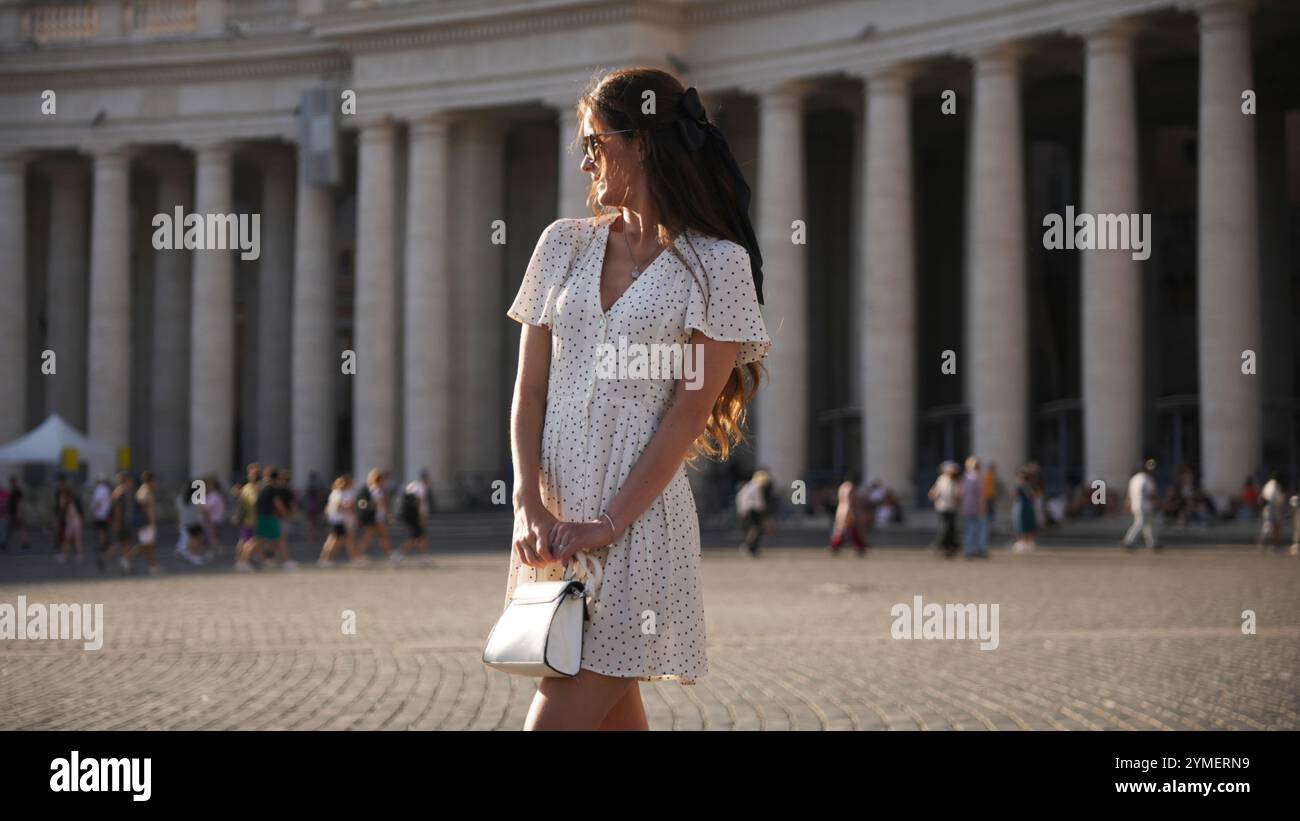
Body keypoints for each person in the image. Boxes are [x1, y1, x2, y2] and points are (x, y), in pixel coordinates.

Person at [504, 69, 771, 730]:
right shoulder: (561, 244)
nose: (586, 157)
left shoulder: (719, 265)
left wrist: (611, 522)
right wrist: (527, 501)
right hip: (556, 527)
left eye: (597, 139)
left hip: (639, 529)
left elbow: (687, 414)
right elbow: (529, 389)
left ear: (643, 143)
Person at [353, 468, 395, 562]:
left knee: (370, 537)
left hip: (377, 516)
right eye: (382, 480)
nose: (383, 482)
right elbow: (364, 503)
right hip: (374, 517)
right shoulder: (372, 490)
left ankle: (358, 555)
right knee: (382, 535)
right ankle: (390, 554)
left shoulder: (377, 490)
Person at [123, 470, 160, 575]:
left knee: (148, 546)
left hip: (147, 522)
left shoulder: (146, 490)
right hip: (145, 522)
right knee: (145, 546)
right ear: (150, 480)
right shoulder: (144, 491)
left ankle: (152, 566)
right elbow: (142, 505)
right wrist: (148, 519)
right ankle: (127, 559)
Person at [318, 474, 356, 567]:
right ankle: (326, 559)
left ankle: (355, 557)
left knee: (339, 539)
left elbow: (329, 507)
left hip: (335, 519)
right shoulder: (340, 493)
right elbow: (338, 506)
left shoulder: (334, 493)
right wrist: (348, 506)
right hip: (339, 519)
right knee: (336, 540)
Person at [1123, 459, 1160, 551]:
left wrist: (1128, 504)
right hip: (1145, 505)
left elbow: (1129, 494)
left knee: (1147, 525)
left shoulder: (1134, 479)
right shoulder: (1146, 478)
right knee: (1140, 524)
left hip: (1136, 504)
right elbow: (1152, 494)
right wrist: (1158, 503)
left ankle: (1152, 543)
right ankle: (1128, 541)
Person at [828, 471, 866, 557]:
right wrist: (851, 512)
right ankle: (835, 545)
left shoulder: (843, 486)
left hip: (841, 509)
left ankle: (859, 546)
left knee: (847, 529)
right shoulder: (850, 487)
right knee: (846, 530)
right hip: (848, 510)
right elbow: (849, 501)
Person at [928, 461, 961, 557]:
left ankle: (950, 548)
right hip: (942, 507)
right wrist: (934, 495)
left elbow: (957, 495)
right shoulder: (941, 479)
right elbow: (934, 491)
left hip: (952, 507)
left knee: (951, 528)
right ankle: (937, 546)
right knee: (945, 528)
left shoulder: (955, 481)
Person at [735, 469, 770, 558]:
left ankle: (753, 549)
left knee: (755, 529)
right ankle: (748, 546)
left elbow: (740, 497)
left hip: (749, 510)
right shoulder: (756, 487)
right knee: (755, 529)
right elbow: (758, 501)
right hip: (752, 510)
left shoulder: (750, 486)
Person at [959, 456, 988, 558]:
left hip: (967, 507)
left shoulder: (965, 478)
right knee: (979, 529)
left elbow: (961, 493)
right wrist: (982, 507)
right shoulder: (978, 478)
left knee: (969, 529)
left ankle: (968, 550)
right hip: (976, 507)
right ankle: (979, 549)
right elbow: (981, 495)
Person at [175, 481, 207, 566]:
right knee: (196, 539)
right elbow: (202, 510)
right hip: (195, 522)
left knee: (191, 539)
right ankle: (194, 555)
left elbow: (179, 511)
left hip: (185, 522)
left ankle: (192, 554)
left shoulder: (180, 498)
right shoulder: (196, 498)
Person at [1011, 466, 1039, 552]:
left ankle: (1024, 542)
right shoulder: (1027, 485)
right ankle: (1026, 542)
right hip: (1025, 506)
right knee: (1024, 524)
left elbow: (1013, 495)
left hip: (1022, 507)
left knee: (1022, 524)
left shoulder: (1022, 485)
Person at [55, 485, 84, 565]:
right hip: (73, 522)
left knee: (71, 539)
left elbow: (63, 509)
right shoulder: (73, 500)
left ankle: (67, 555)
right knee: (70, 540)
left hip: (73, 522)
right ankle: (75, 555)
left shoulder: (69, 501)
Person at [1259, 472, 1286, 550]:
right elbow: (1274, 498)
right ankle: (1266, 543)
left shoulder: (1270, 484)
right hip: (1272, 507)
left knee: (1272, 526)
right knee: (1270, 526)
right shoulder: (1273, 485)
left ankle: (1272, 544)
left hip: (1270, 507)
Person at [89, 475, 112, 564]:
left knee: (101, 530)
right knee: (104, 530)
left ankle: (102, 544)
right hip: (105, 512)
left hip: (99, 513)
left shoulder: (99, 489)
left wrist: (95, 512)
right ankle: (104, 543)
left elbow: (97, 502)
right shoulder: (106, 489)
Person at [7, 476, 27, 551]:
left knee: (18, 527)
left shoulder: (17, 490)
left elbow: (20, 502)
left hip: (16, 512)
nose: (11, 483)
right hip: (12, 511)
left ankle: (24, 542)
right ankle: (24, 542)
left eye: (12, 482)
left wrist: (19, 512)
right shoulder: (13, 490)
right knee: (15, 527)